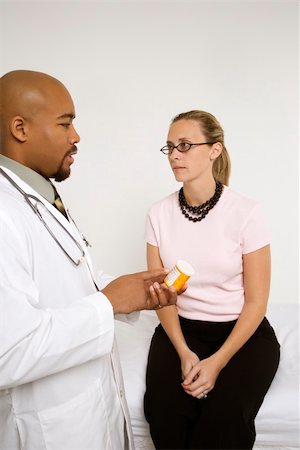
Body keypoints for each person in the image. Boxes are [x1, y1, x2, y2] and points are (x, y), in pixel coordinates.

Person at [0, 69, 177, 450]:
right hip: (47, 429)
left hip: (85, 413)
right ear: (20, 128)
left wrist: (134, 294)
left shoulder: (37, 195)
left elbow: (71, 275)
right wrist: (108, 302)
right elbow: (7, 352)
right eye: (65, 124)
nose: (76, 137)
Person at [143, 110, 280, 450]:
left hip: (240, 334)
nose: (174, 154)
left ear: (214, 150)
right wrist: (184, 352)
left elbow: (256, 302)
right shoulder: (158, 214)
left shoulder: (246, 212)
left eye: (186, 145)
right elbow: (162, 296)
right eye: (170, 146)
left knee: (222, 422)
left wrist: (216, 363)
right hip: (181, 331)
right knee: (164, 416)